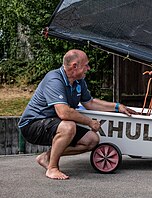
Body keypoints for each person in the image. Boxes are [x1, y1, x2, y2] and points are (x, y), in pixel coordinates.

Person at [18, 49, 137, 180]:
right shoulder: (54, 79)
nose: (89, 68)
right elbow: (63, 112)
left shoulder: (79, 81)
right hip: (33, 124)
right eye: (86, 65)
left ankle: (46, 157)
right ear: (75, 66)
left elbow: (90, 103)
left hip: (55, 123)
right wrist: (89, 122)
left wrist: (117, 106)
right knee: (69, 126)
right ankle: (52, 168)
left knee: (92, 140)